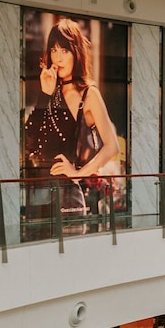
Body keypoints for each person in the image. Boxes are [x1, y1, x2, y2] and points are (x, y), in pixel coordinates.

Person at [38, 18, 123, 224]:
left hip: (70, 195)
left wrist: (78, 173)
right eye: (54, 50)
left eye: (64, 51)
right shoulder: (52, 90)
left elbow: (112, 146)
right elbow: (36, 140)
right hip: (41, 192)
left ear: (76, 52)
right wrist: (45, 94)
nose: (58, 58)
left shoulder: (89, 93)